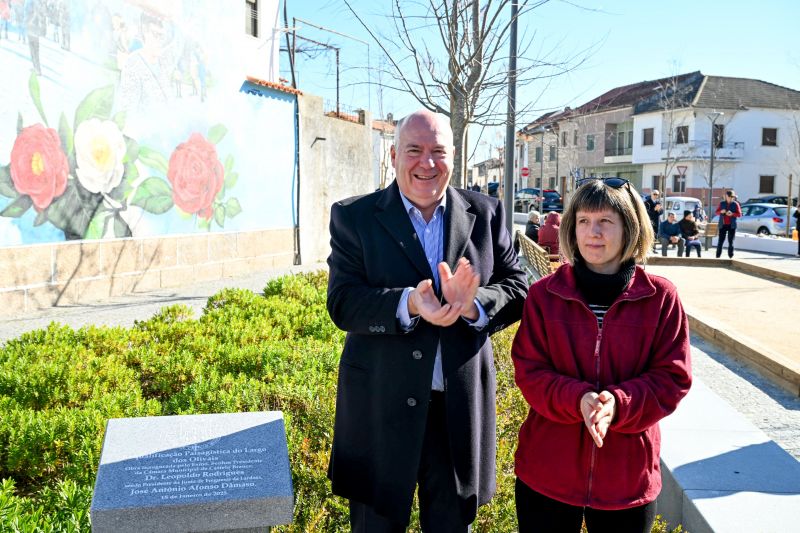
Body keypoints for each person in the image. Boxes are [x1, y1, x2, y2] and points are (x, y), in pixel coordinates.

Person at [326, 109, 528, 532]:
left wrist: (474, 306)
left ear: (454, 156)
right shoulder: (355, 217)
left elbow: (519, 287)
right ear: (394, 155)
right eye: (414, 150)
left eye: (438, 151)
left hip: (456, 413)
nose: (427, 163)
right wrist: (409, 304)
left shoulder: (487, 215)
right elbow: (343, 303)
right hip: (379, 411)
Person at [511, 177, 692, 533]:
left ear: (630, 227)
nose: (593, 232)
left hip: (626, 480)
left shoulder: (660, 298)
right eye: (583, 221)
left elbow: (673, 377)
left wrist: (618, 404)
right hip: (547, 472)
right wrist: (578, 399)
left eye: (605, 222)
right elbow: (529, 371)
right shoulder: (544, 295)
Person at [715, 189, 742, 258]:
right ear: (726, 196)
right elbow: (716, 212)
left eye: (731, 197)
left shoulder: (736, 204)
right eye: (729, 196)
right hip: (723, 225)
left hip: (731, 225)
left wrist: (732, 214)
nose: (730, 198)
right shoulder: (722, 203)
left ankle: (730, 256)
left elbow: (739, 214)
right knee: (720, 241)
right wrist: (721, 211)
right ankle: (718, 256)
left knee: (731, 241)